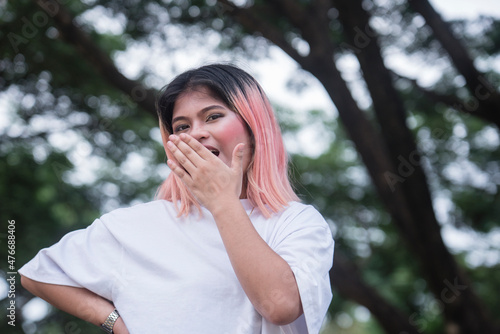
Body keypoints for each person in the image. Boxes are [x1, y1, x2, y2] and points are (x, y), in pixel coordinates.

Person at [20, 63, 334, 334]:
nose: (195, 133)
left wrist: (222, 202)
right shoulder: (137, 225)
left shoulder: (297, 224)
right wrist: (112, 320)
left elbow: (279, 306)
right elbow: (38, 275)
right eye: (182, 126)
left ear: (254, 127)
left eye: (212, 116)